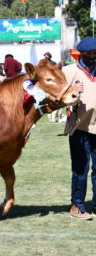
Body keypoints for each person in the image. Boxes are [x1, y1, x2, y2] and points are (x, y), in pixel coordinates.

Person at [63, 37, 96, 220]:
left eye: (95, 53)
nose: (93, 57)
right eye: (89, 54)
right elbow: (55, 97)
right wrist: (71, 91)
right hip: (79, 128)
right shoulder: (69, 71)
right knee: (80, 169)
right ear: (81, 54)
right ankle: (77, 205)